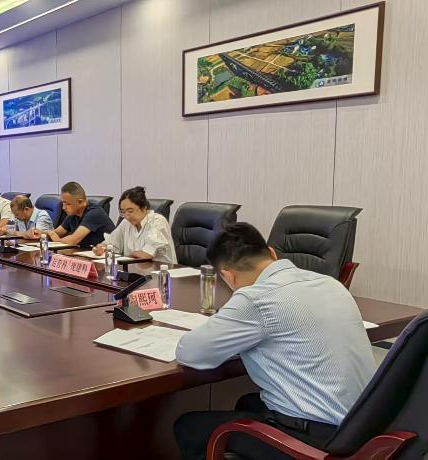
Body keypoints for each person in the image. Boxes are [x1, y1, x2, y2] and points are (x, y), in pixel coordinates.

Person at [173, 223, 375, 460]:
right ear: (272, 253)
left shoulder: (255, 299)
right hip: (362, 429)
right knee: (248, 402)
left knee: (189, 426)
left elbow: (189, 353)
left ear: (228, 275)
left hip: (319, 441)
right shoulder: (330, 283)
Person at [91, 186, 177, 264]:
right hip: (135, 270)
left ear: (144, 207)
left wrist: (130, 254)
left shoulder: (158, 221)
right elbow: (112, 244)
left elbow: (146, 255)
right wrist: (102, 248)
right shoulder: (126, 222)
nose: (126, 216)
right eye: (123, 212)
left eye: (130, 211)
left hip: (161, 271)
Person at [46, 181, 115, 248]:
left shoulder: (94, 213)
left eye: (67, 204)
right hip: (85, 252)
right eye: (63, 203)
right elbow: (55, 233)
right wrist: (43, 234)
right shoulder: (73, 214)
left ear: (80, 202)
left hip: (105, 253)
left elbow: (74, 240)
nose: (63, 208)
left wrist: (58, 241)